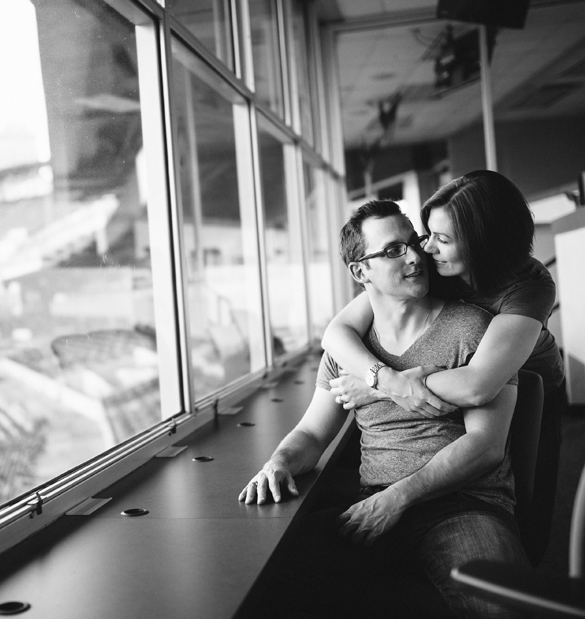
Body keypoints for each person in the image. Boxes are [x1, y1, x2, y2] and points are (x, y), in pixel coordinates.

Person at [240, 200, 527, 618]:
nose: (415, 256)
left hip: (463, 505)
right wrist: (279, 462)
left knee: (498, 607)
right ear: (361, 272)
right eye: (393, 250)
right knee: (267, 587)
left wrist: (397, 499)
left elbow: (486, 445)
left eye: (413, 242)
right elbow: (312, 434)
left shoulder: (472, 329)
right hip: (372, 503)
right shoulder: (349, 351)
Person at [321, 170, 564, 565]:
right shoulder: (432, 261)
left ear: (482, 243)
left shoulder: (529, 285)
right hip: (462, 375)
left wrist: (379, 389)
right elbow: (337, 332)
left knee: (533, 508)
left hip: (529, 381)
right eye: (426, 235)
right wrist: (385, 376)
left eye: (442, 239)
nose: (425, 249)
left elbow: (478, 384)